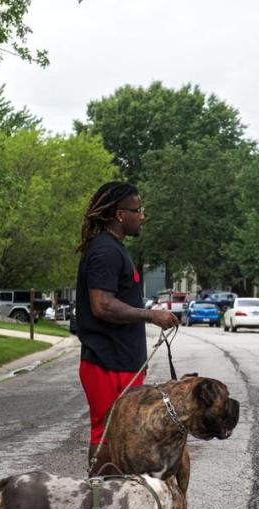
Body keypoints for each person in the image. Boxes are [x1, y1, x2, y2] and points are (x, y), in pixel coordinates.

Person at [74, 181, 178, 472]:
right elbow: (102, 305)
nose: (142, 215)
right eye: (137, 209)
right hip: (106, 361)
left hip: (123, 362)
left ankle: (116, 496)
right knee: (107, 433)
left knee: (124, 433)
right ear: (120, 215)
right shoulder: (104, 251)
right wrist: (150, 315)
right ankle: (100, 499)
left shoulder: (114, 248)